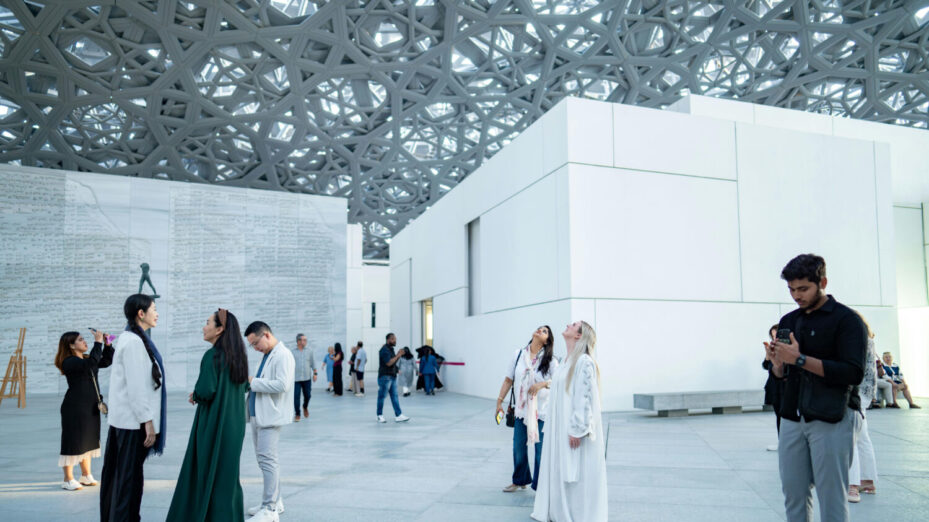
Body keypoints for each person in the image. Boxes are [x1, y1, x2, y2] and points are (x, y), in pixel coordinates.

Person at [766, 254, 866, 522]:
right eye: (791, 289)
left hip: (832, 416)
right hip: (792, 418)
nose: (796, 295)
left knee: (832, 497)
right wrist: (778, 365)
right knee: (793, 494)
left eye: (803, 289)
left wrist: (799, 359)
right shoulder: (788, 320)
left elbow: (853, 372)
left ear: (822, 282)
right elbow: (782, 374)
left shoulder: (847, 320)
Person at [167, 309, 250, 521]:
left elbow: (205, 391)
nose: (204, 327)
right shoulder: (238, 357)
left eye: (207, 323)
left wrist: (195, 394)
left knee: (203, 472)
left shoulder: (212, 355)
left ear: (220, 329)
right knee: (227, 476)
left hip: (213, 423)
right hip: (235, 425)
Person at [531, 321, 607, 521]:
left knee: (573, 471)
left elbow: (585, 397)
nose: (567, 325)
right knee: (561, 469)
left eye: (573, 325)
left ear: (578, 336)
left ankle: (575, 513)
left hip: (571, 428)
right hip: (559, 426)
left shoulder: (584, 361)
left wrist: (577, 429)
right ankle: (558, 509)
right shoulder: (567, 361)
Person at [100, 294, 167, 521]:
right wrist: (148, 421)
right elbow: (136, 387)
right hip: (131, 423)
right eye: (154, 309)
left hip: (125, 421)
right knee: (128, 480)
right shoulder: (134, 342)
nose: (157, 313)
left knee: (125, 477)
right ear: (141, 313)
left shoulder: (130, 339)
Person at [495, 326, 558, 493]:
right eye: (539, 329)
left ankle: (540, 487)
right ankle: (520, 480)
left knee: (540, 452)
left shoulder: (551, 360)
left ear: (547, 340)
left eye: (545, 331)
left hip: (542, 411)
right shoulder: (518, 355)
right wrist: (499, 401)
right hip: (521, 411)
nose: (540, 331)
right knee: (518, 448)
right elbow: (509, 379)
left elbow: (559, 380)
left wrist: (543, 383)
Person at [244, 321, 295, 522]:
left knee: (268, 460)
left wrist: (252, 381)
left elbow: (283, 385)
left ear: (266, 335)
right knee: (265, 460)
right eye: (252, 345)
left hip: (270, 416)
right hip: (259, 415)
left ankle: (270, 509)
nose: (255, 348)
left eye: (255, 343)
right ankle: (276, 500)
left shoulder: (283, 355)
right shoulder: (266, 356)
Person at [54, 329, 114, 490]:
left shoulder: (86, 358)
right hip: (75, 407)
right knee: (73, 441)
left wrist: (107, 345)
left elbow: (106, 361)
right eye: (80, 340)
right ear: (71, 345)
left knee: (88, 440)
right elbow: (90, 365)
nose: (84, 342)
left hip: (90, 406)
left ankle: (86, 475)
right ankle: (67, 479)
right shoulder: (69, 361)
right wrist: (97, 342)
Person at [848, 314, 879, 503]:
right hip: (864, 394)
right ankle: (867, 480)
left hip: (854, 395)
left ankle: (853, 486)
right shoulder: (869, 340)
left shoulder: (857, 340)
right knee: (863, 438)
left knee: (850, 438)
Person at [376, 333, 410, 423]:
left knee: (394, 396)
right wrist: (398, 355)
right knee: (382, 396)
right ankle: (379, 415)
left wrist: (397, 366)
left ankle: (398, 415)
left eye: (395, 339)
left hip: (392, 376)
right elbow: (388, 363)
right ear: (388, 340)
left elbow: (393, 362)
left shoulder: (391, 349)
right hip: (385, 377)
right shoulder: (384, 350)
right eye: (393, 339)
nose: (395, 340)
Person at [762, 324, 782, 452]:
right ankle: (782, 441)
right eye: (772, 336)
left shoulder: (787, 350)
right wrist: (768, 353)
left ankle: (785, 441)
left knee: (784, 415)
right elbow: (765, 365)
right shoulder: (772, 349)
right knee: (778, 414)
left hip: (784, 386)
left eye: (776, 335)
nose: (774, 338)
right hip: (774, 385)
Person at [291, 333, 317, 421]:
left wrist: (315, 374)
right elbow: (289, 365)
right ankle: (297, 414)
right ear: (298, 341)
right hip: (296, 379)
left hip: (307, 378)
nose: (305, 341)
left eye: (306, 340)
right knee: (296, 396)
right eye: (303, 340)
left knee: (308, 395)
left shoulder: (310, 351)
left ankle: (305, 406)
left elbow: (313, 363)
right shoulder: (292, 352)